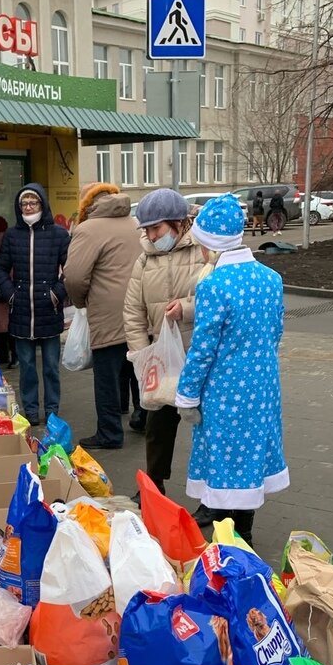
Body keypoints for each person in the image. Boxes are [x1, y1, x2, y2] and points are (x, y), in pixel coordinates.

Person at [174, 193, 289, 547]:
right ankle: (247, 536)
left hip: (225, 392)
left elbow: (203, 348)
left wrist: (187, 395)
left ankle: (227, 543)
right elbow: (277, 331)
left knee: (223, 466)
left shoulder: (213, 285)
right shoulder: (270, 278)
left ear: (211, 246)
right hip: (263, 387)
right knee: (251, 459)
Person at [123, 189, 202, 494]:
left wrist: (188, 309)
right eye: (147, 230)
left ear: (178, 223)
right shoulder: (144, 261)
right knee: (158, 427)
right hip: (163, 360)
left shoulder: (203, 251)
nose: (152, 236)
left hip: (199, 357)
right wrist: (142, 354)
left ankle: (210, 498)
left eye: (157, 228)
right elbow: (133, 311)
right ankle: (153, 487)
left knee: (204, 428)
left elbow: (218, 300)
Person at [64, 182, 142, 450]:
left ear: (87, 203)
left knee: (107, 376)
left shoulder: (87, 229)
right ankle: (142, 417)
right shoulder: (135, 223)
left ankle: (109, 434)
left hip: (106, 313)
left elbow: (74, 277)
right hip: (139, 309)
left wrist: (80, 303)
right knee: (137, 368)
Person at [0, 184, 70, 425]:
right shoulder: (13, 236)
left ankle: (52, 410)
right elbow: (0, 269)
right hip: (22, 311)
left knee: (50, 367)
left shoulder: (58, 234)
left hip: (49, 311)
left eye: (32, 203)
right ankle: (32, 410)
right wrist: (12, 294)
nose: (28, 207)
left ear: (42, 205)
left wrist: (56, 293)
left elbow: (71, 270)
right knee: (26, 367)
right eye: (24, 204)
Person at [0, 215, 17, 369]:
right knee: (4, 325)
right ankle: (6, 354)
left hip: (3, 289)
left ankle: (8, 354)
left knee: (4, 325)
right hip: (5, 288)